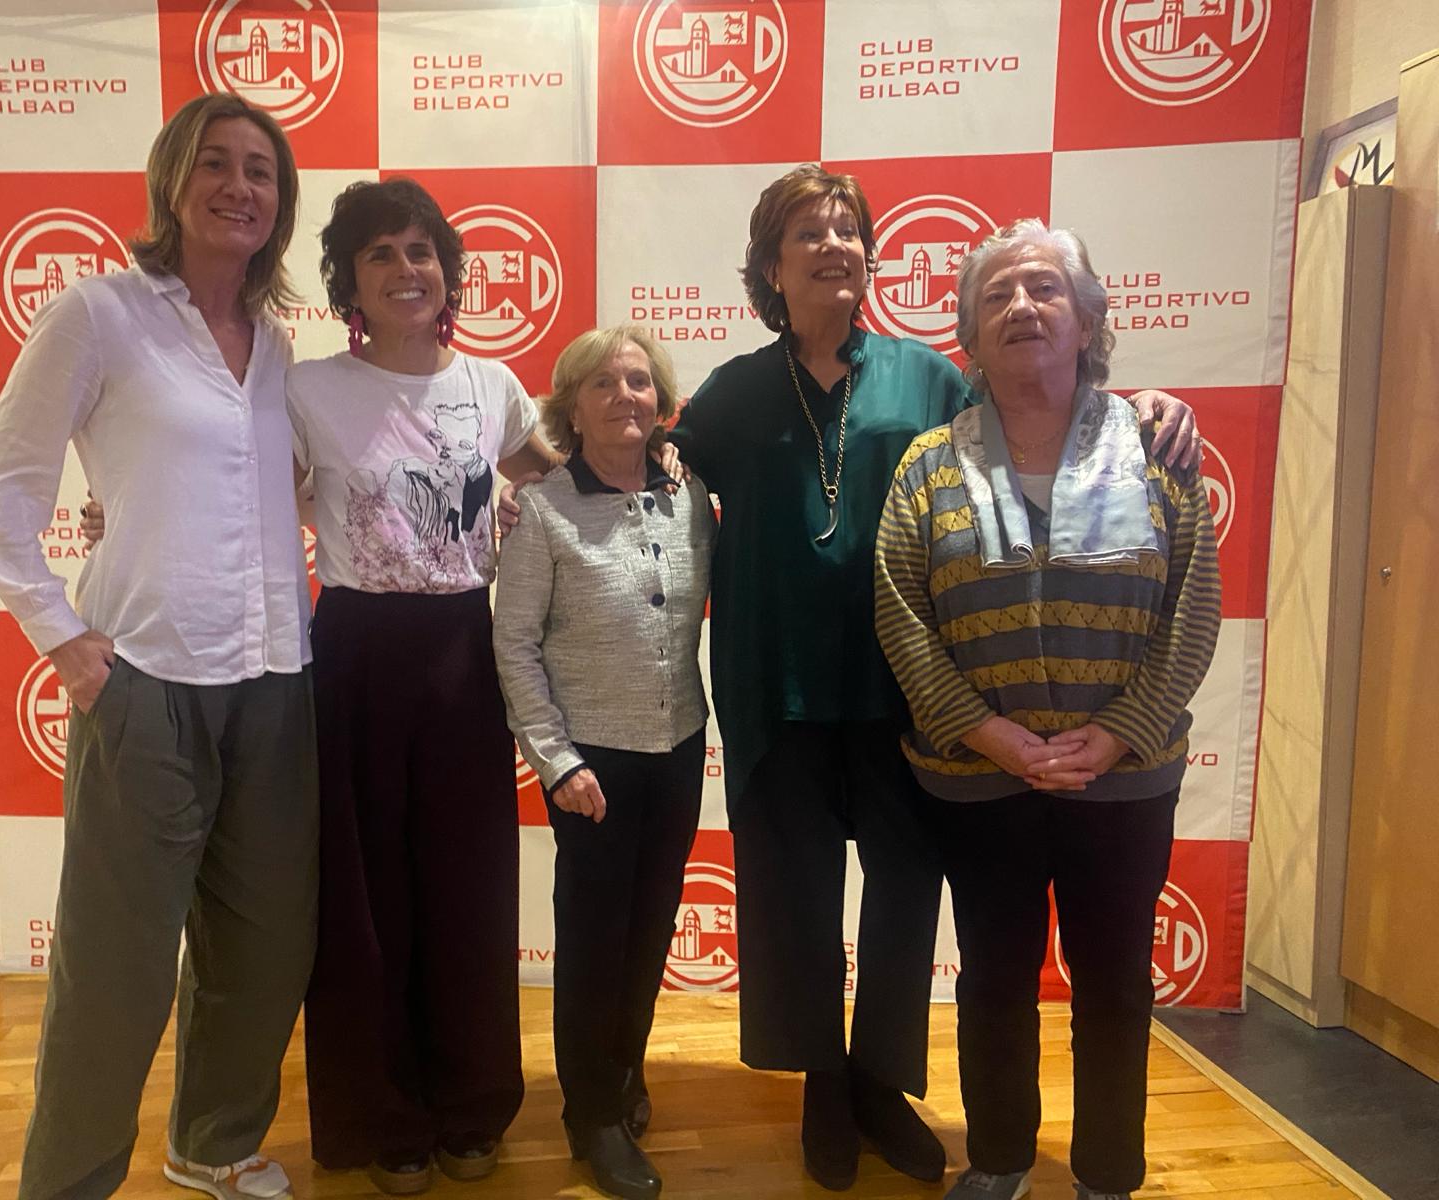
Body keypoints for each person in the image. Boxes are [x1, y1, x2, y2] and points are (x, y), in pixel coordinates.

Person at [502, 164, 1200, 1192]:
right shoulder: (736, 391)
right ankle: (822, 1090)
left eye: (846, 229)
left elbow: (1040, 401)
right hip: (773, 689)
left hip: (913, 695)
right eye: (805, 233)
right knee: (793, 903)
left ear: (870, 257)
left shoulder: (927, 378)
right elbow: (630, 454)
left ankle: (880, 1085)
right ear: (770, 268)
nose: (832, 245)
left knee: (906, 899)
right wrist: (522, 490)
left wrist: (1143, 402)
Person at [0, 94, 315, 1200]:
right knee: (114, 969)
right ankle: (67, 1182)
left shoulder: (279, 346)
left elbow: (277, 494)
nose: (239, 187)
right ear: (171, 180)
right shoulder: (98, 315)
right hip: (147, 682)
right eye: (216, 163)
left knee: (261, 955)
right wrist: (61, 637)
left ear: (281, 201)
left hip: (276, 680)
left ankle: (210, 1145)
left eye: (261, 170)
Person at [874, 218, 1221, 1200]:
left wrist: (1114, 735)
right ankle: (998, 1160)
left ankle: (1108, 1171)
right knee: (992, 981)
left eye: (1044, 291)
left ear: (1087, 321)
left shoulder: (1158, 453)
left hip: (1124, 782)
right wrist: (993, 736)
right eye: (998, 297)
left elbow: (1191, 613)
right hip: (979, 783)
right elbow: (901, 618)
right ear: (969, 342)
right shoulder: (926, 467)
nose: (1023, 308)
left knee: (1113, 984)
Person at [290, 178, 563, 1197]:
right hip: (355, 651)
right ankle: (383, 1116)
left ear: (447, 271)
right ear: (347, 284)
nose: (406, 269)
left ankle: (471, 1105)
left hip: (462, 651)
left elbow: (560, 482)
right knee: (364, 901)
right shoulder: (307, 390)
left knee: (468, 893)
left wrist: (674, 486)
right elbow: (243, 496)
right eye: (379, 254)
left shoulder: (491, 388)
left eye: (420, 251)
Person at [492, 327, 716, 1200]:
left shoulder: (690, 497)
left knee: (650, 931)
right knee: (593, 944)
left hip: (678, 751)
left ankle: (623, 1075)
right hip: (591, 767)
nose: (625, 395)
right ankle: (589, 1115)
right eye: (603, 384)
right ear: (571, 406)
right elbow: (514, 645)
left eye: (639, 381)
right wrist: (555, 760)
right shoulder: (545, 509)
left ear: (661, 402)